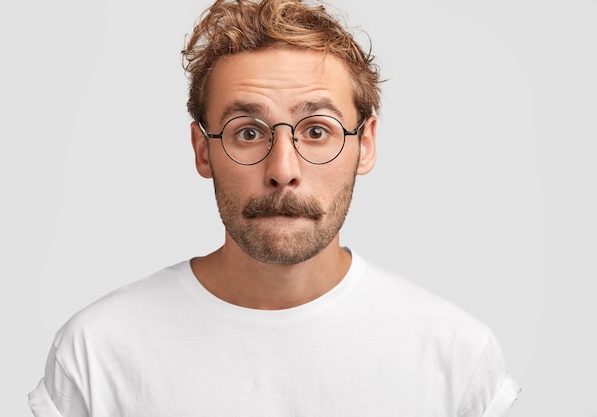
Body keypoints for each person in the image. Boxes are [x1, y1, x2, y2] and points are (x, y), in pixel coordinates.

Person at [28, 0, 521, 415]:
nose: (283, 169)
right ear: (203, 150)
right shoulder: (98, 351)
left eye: (317, 130)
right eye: (247, 132)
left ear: (365, 145)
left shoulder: (456, 355)